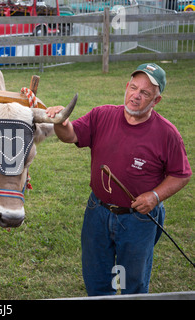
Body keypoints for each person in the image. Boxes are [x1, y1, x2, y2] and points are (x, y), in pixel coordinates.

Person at [46, 63, 192, 296]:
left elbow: (181, 174)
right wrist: (61, 123)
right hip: (98, 211)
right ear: (126, 87)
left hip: (138, 218)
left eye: (145, 93)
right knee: (96, 278)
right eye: (133, 88)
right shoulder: (102, 115)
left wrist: (155, 196)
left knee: (133, 283)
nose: (136, 96)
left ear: (156, 101)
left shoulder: (167, 134)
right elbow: (71, 135)